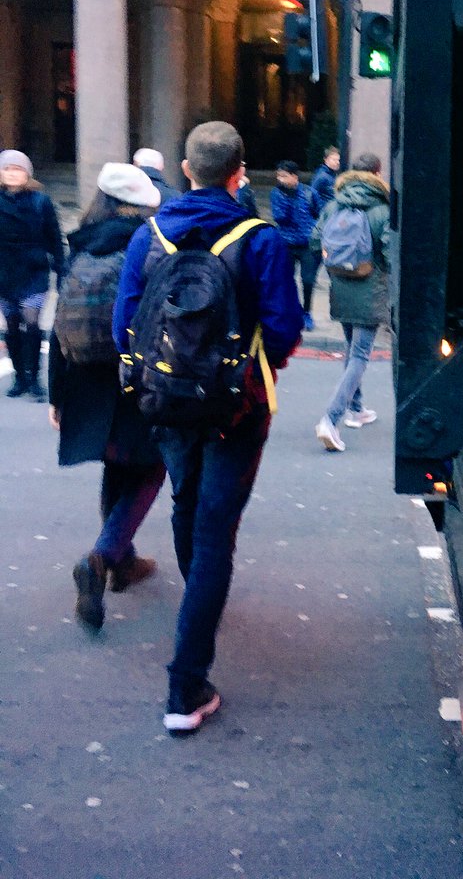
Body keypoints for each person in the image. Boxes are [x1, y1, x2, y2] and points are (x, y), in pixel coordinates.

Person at [113, 121, 303, 734]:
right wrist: (254, 366)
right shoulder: (262, 240)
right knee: (217, 529)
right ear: (239, 173)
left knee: (186, 503)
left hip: (166, 401)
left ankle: (201, 602)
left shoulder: (150, 235)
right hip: (235, 406)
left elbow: (126, 324)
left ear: (186, 169)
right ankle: (184, 688)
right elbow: (283, 327)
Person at [49, 163, 165, 630]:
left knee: (117, 463)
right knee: (151, 468)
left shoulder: (80, 243)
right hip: (130, 374)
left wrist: (57, 395)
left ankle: (124, 562)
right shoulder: (145, 244)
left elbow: (60, 323)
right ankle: (102, 558)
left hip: (83, 376)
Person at [312, 152, 389, 452]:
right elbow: (389, 249)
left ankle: (357, 409)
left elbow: (315, 239)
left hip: (341, 284)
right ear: (377, 172)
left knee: (351, 350)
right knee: (359, 355)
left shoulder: (334, 204)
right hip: (371, 287)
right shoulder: (382, 208)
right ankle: (331, 419)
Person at [0, 149, 66, 401]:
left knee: (33, 321)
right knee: (12, 324)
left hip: (34, 270)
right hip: (5, 271)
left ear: (27, 174)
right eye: (8, 169)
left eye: (17, 169)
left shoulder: (41, 202)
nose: (13, 173)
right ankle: (20, 377)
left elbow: (54, 239)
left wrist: (61, 269)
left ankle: (35, 377)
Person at [270, 159, 318, 328]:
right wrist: (288, 199)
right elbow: (280, 217)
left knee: (308, 280)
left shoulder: (309, 193)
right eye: (278, 176)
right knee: (286, 279)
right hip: (287, 243)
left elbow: (318, 215)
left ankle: (307, 312)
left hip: (307, 244)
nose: (280, 179)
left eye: (284, 176)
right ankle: (290, 311)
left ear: (294, 176)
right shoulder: (277, 194)